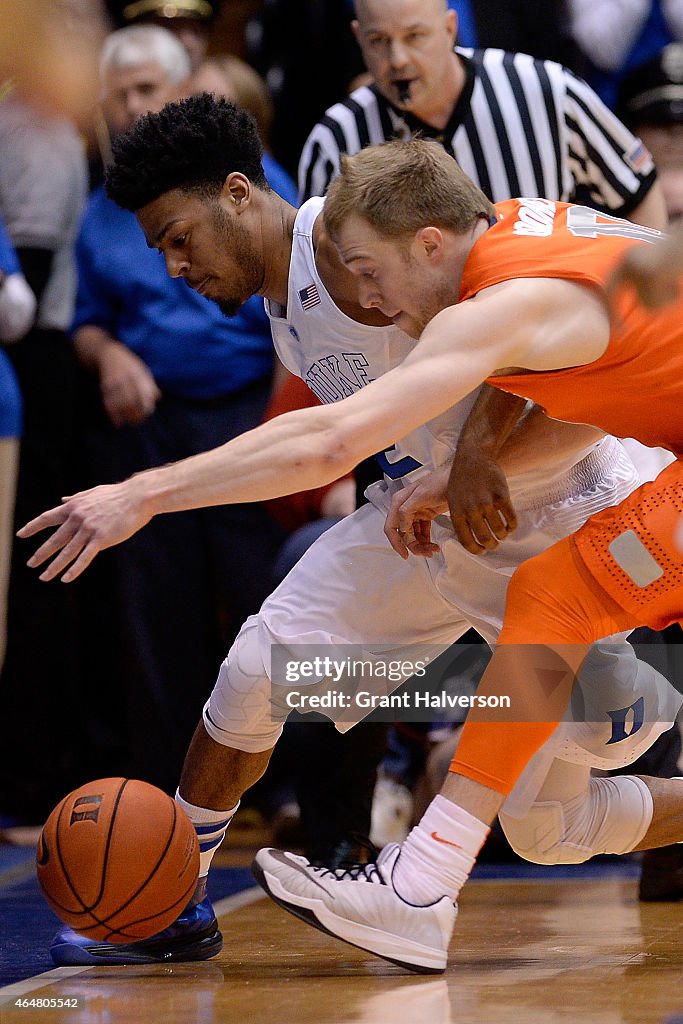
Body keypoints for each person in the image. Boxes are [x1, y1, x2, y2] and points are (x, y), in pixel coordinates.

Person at [17, 98, 683, 969]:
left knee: (555, 813)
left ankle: (599, 705)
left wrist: (141, 494)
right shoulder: (293, 300)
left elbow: (379, 406)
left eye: (179, 237)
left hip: (552, 509)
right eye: (158, 251)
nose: (174, 266)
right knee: (262, 666)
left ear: (237, 195)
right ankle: (171, 895)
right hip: (422, 526)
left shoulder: (366, 242)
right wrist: (446, 473)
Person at [296, 0, 671, 871]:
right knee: (547, 829)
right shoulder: (524, 231)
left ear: (426, 242)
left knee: (562, 625)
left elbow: (329, 440)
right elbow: (593, 393)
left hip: (599, 463)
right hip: (574, 442)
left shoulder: (499, 292)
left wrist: (148, 491)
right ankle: (424, 857)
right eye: (376, 39)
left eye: (367, 271)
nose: (368, 298)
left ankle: (421, 878)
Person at [70, 28, 283, 794]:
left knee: (269, 597)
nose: (131, 106)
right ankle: (169, 790)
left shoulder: (263, 198)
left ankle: (285, 783)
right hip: (149, 424)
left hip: (251, 414)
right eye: (117, 94)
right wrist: (107, 353)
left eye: (145, 90)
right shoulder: (105, 210)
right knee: (157, 614)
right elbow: (84, 316)